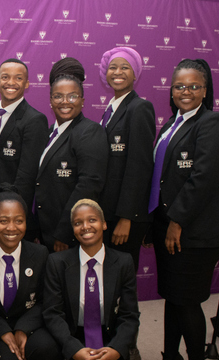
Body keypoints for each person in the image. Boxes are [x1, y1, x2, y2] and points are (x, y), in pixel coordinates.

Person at [149, 59, 219, 360]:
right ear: (171, 89)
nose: (186, 91)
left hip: (194, 232)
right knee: (173, 297)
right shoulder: (172, 123)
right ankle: (170, 354)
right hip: (167, 224)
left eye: (194, 86)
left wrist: (176, 221)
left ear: (205, 91)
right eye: (180, 86)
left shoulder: (212, 123)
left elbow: (203, 178)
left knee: (188, 301)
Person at [0, 184, 60, 360]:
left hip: (28, 323)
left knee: (47, 347)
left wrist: (23, 329)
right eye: (4, 221)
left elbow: (46, 301)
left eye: (19, 221)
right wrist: (2, 330)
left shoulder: (40, 254)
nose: (12, 228)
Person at [43, 199, 139, 360]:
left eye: (92, 220)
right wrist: (73, 348)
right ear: (73, 229)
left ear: (104, 224)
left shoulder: (123, 262)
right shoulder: (57, 263)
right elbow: (52, 314)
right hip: (72, 337)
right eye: (78, 223)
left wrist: (116, 348)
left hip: (110, 337)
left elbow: (130, 315)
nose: (85, 226)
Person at [34, 57, 108, 252]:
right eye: (58, 96)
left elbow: (88, 185)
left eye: (72, 96)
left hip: (68, 236)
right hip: (45, 232)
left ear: (82, 101)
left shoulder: (90, 132)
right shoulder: (50, 133)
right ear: (50, 101)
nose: (65, 102)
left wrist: (65, 232)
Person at [97, 47, 155, 271]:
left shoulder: (139, 108)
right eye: (113, 67)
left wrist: (126, 217)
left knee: (123, 279)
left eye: (124, 67)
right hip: (109, 211)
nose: (117, 72)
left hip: (125, 216)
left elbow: (139, 167)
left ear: (135, 73)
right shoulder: (111, 109)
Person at [0, 58, 49, 241]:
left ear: (27, 83)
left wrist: (10, 211)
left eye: (18, 78)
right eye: (5, 77)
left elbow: (27, 174)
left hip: (13, 215)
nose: (11, 83)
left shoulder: (35, 120)